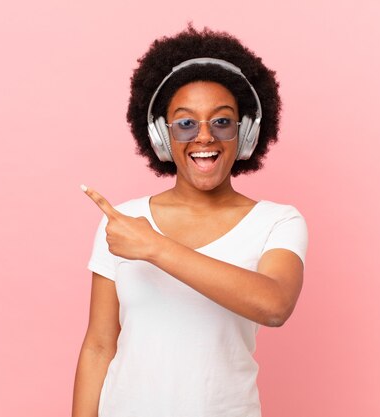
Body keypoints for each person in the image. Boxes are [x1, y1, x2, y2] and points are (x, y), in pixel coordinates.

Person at [72, 25, 308, 417]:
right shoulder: (125, 221)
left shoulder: (277, 221)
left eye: (221, 122)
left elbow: (274, 305)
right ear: (162, 138)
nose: (204, 137)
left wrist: (156, 248)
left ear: (245, 134)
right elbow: (99, 344)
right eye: (185, 123)